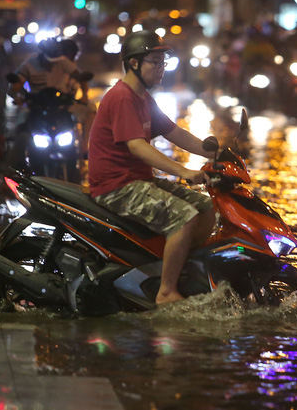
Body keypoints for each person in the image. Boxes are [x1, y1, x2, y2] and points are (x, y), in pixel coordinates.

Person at [88, 30, 216, 305]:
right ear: (134, 63)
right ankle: (166, 291)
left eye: (163, 63)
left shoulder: (143, 98)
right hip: (117, 186)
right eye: (155, 63)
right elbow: (138, 146)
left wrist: (214, 152)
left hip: (138, 181)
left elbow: (174, 132)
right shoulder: (122, 97)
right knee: (185, 218)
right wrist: (183, 171)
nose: (161, 70)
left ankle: (172, 266)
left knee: (207, 209)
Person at [9, 37, 96, 158]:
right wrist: (20, 96)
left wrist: (85, 96)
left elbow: (80, 77)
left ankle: (84, 149)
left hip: (60, 108)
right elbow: (15, 85)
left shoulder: (63, 63)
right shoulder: (30, 64)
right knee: (21, 135)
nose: (52, 64)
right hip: (36, 109)